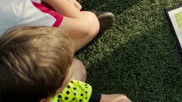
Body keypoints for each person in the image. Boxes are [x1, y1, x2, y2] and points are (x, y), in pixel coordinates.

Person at [0, 26, 132, 102]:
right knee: (78, 67)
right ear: (51, 95)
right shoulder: (67, 91)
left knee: (77, 66)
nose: (71, 62)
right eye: (66, 69)